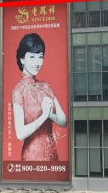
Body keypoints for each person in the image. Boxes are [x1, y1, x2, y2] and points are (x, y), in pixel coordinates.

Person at [12, 33, 67, 161]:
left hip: (52, 155)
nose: (37, 62)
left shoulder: (45, 87)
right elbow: (19, 134)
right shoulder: (18, 91)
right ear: (22, 59)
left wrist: (50, 115)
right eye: (32, 57)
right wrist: (43, 116)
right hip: (31, 156)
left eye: (40, 57)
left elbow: (64, 121)